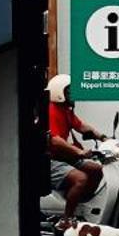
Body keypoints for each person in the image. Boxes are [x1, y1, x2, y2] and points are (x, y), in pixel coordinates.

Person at [46, 73, 104, 219]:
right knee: (81, 179)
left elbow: (82, 126)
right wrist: (79, 151)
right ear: (59, 92)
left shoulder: (66, 110)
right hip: (51, 159)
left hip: (64, 156)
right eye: (69, 91)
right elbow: (55, 140)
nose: (73, 94)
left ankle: (78, 203)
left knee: (96, 169)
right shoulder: (51, 110)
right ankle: (67, 219)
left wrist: (103, 137)